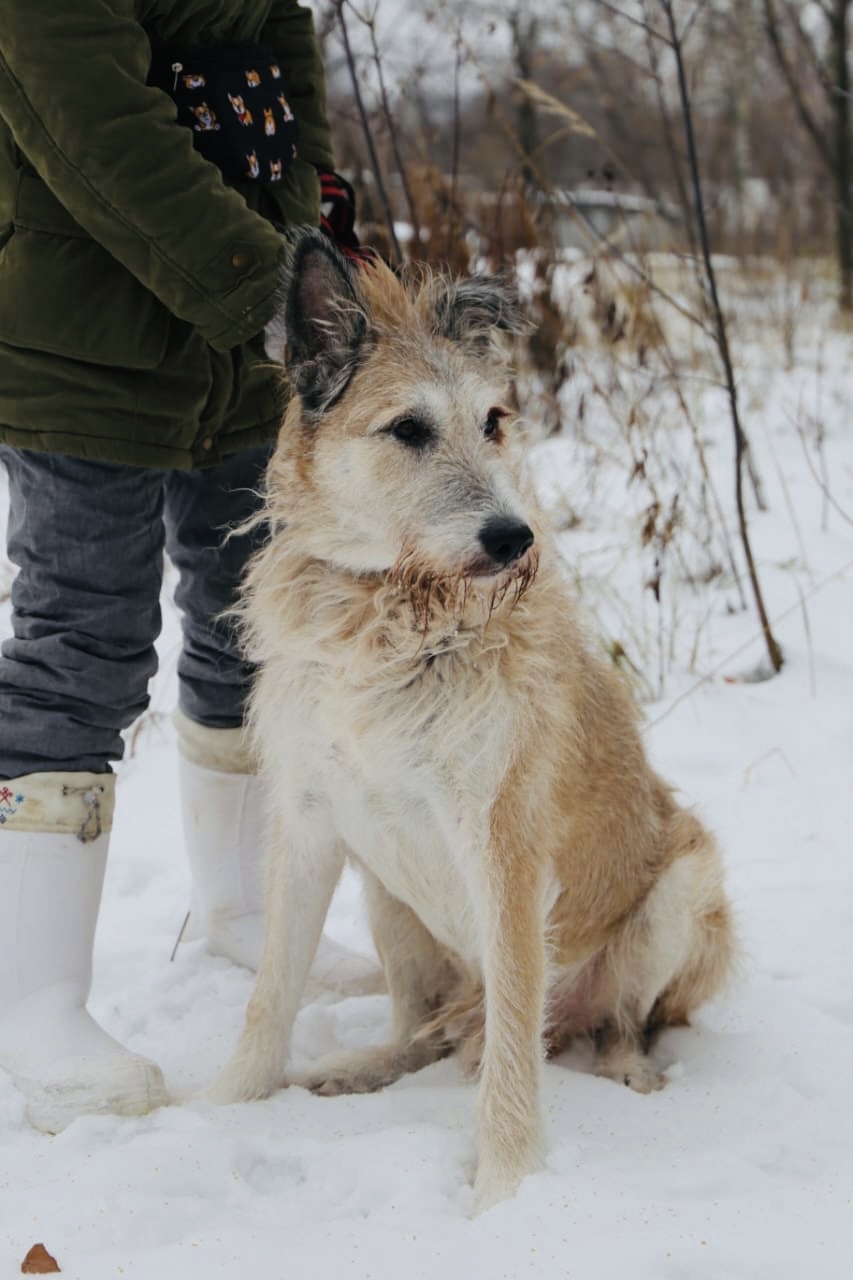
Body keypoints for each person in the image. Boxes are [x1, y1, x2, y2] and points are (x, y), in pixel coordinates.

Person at [0, 0, 359, 1134]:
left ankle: (244, 904)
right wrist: (268, 292)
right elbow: (97, 125)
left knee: (248, 627)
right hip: (82, 348)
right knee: (80, 642)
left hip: (240, 366)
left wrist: (302, 267)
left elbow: (292, 92)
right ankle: (35, 997)